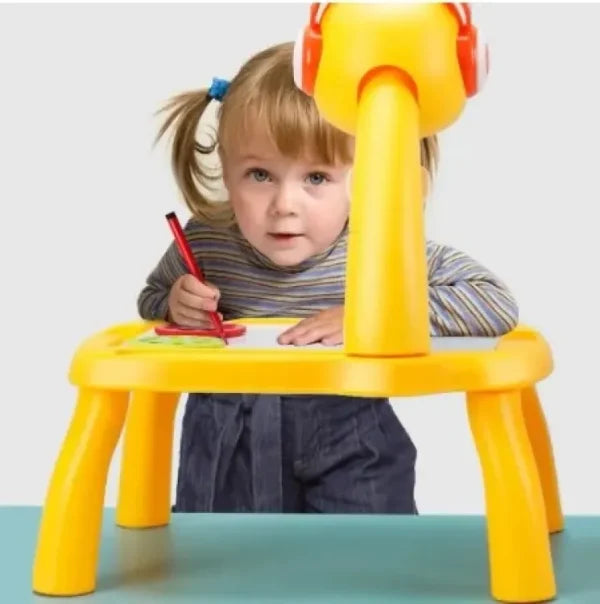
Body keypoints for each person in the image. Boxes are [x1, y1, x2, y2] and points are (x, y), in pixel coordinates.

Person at [137, 42, 518, 514]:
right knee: (221, 572)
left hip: (350, 448)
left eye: (316, 178)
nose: (284, 204)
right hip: (223, 445)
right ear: (228, 173)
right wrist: (175, 303)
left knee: (363, 568)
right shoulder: (208, 242)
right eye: (259, 174)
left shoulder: (379, 250)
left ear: (364, 180)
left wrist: (373, 317)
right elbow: (152, 299)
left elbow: (493, 302)